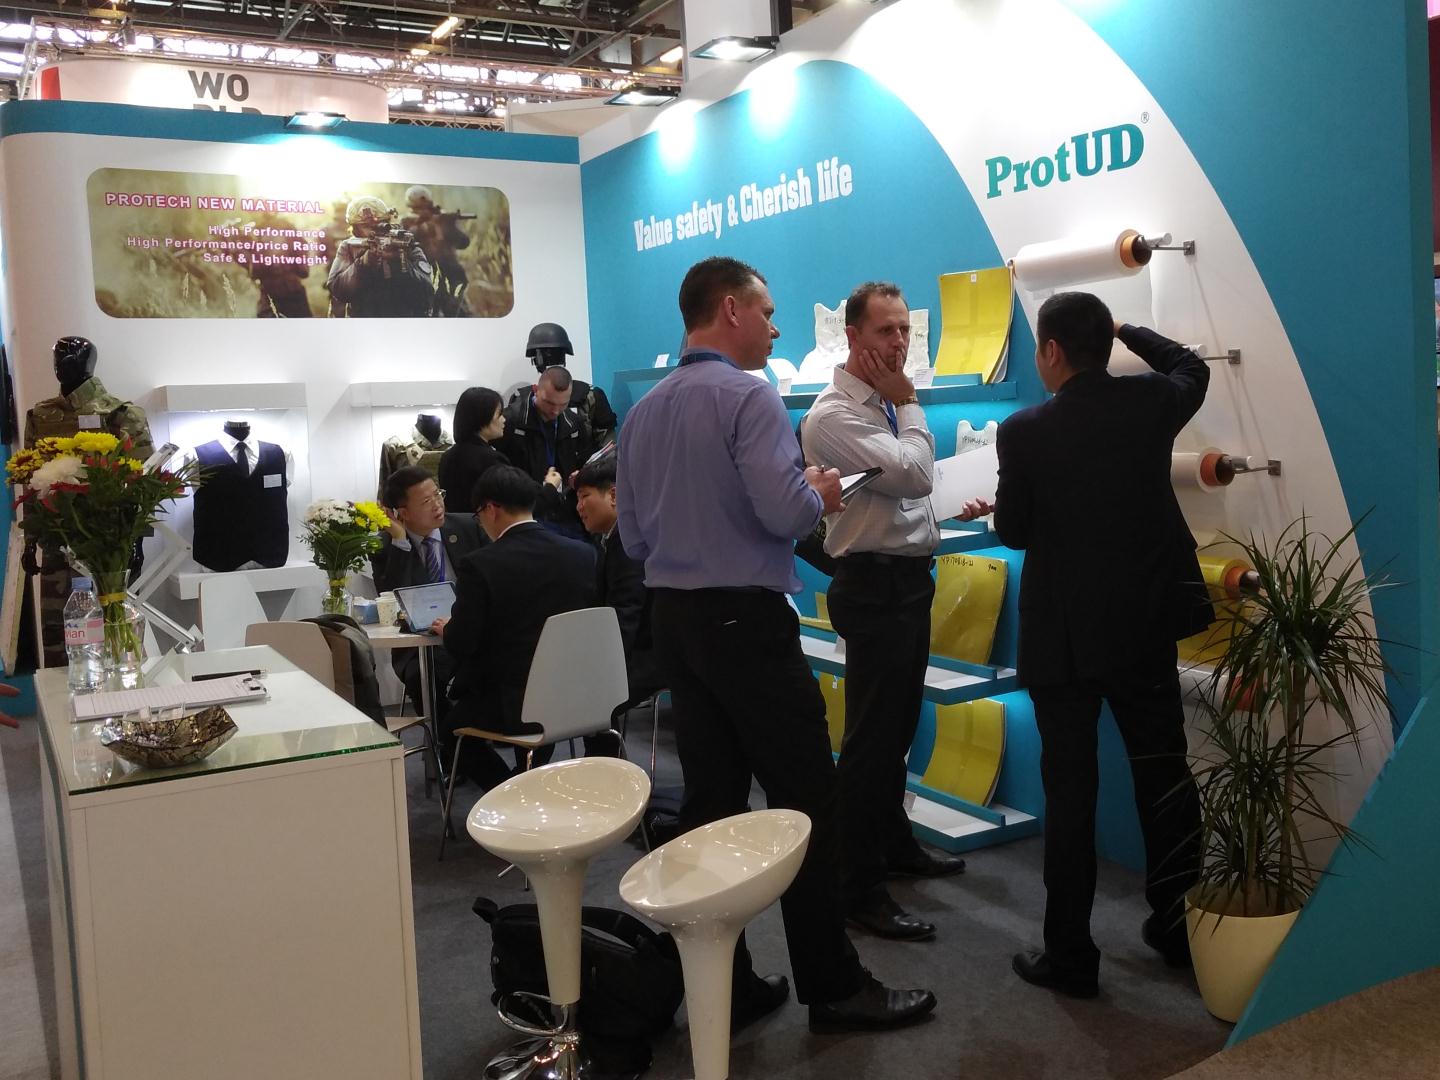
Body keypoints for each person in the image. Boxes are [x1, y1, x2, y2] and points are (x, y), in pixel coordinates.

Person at [617, 255, 937, 1034]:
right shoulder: (749, 395)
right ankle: (834, 986)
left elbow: (631, 537)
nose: (775, 326)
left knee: (714, 803)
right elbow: (788, 515)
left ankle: (725, 983)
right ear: (730, 310)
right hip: (745, 623)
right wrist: (818, 493)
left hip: (676, 621)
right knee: (807, 803)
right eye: (765, 312)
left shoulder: (646, 410)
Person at [993, 291, 1212, 999]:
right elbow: (1191, 367)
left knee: (1071, 793)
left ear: (1052, 351)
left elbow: (1013, 531)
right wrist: (1125, 328)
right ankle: (1177, 928)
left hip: (1064, 640)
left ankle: (1070, 955)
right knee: (1164, 776)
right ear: (1104, 343)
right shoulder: (1150, 402)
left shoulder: (1024, 430)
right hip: (1144, 627)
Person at [799, 281, 983, 942]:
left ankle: (894, 842)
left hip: (907, 582)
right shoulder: (832, 416)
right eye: (886, 331)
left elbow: (914, 489)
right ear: (852, 337)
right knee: (872, 741)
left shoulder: (883, 405)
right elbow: (913, 475)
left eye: (905, 329)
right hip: (873, 586)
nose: (900, 342)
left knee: (897, 729)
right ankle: (859, 886)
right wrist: (909, 404)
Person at [437, 465, 597, 788]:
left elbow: (462, 642)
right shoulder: (583, 554)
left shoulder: (480, 565)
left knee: (450, 727)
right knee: (536, 723)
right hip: (577, 696)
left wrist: (447, 630)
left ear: (491, 509)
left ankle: (509, 791)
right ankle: (524, 785)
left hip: (514, 703)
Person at [372, 466, 486, 729]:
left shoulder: (468, 526)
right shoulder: (386, 546)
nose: (438, 505)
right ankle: (451, 744)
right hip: (420, 644)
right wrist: (400, 541)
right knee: (423, 677)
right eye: (426, 501)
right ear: (402, 513)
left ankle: (461, 744)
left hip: (468, 633)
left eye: (438, 494)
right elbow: (391, 597)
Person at [574, 455, 659, 710]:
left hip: (646, 656)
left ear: (613, 495)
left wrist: (603, 667)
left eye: (584, 496)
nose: (579, 507)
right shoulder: (618, 537)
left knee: (581, 700)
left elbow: (626, 609)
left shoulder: (627, 541)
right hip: (643, 650)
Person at [497, 366, 593, 539]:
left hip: (566, 513)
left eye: (563, 404)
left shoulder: (574, 423)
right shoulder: (509, 422)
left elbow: (585, 460)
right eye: (549, 402)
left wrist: (580, 476)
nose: (555, 411)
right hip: (526, 514)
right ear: (536, 390)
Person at [326, 195, 434, 318]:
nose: (375, 230)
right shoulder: (349, 247)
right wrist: (365, 262)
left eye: (380, 224)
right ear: (355, 229)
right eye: (367, 226)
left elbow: (426, 291)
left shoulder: (405, 243)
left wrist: (399, 262)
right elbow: (337, 289)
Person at [521, 322, 618, 448]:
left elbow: (608, 448)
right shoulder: (523, 399)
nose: (555, 410)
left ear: (535, 360)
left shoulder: (591, 396)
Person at [401, 185, 473, 317]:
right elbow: (405, 246)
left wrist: (447, 227)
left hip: (452, 275)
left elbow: (464, 242)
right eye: (418, 209)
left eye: (425, 208)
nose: (423, 212)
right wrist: (420, 226)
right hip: (425, 280)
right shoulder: (407, 223)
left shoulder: (443, 220)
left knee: (459, 314)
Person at [438, 387, 509, 514]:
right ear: (483, 416)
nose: (504, 419)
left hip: (456, 524)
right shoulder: (492, 460)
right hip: (485, 524)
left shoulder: (447, 456)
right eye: (499, 414)